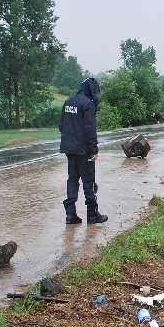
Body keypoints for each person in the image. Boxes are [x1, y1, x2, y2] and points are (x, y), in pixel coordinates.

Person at [59, 77, 107, 224]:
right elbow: (90, 129)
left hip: (69, 149)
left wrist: (71, 139)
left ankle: (70, 215)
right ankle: (92, 216)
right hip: (83, 150)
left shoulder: (68, 101)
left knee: (72, 180)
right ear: (91, 90)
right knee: (88, 182)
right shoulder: (88, 104)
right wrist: (94, 150)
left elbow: (61, 125)